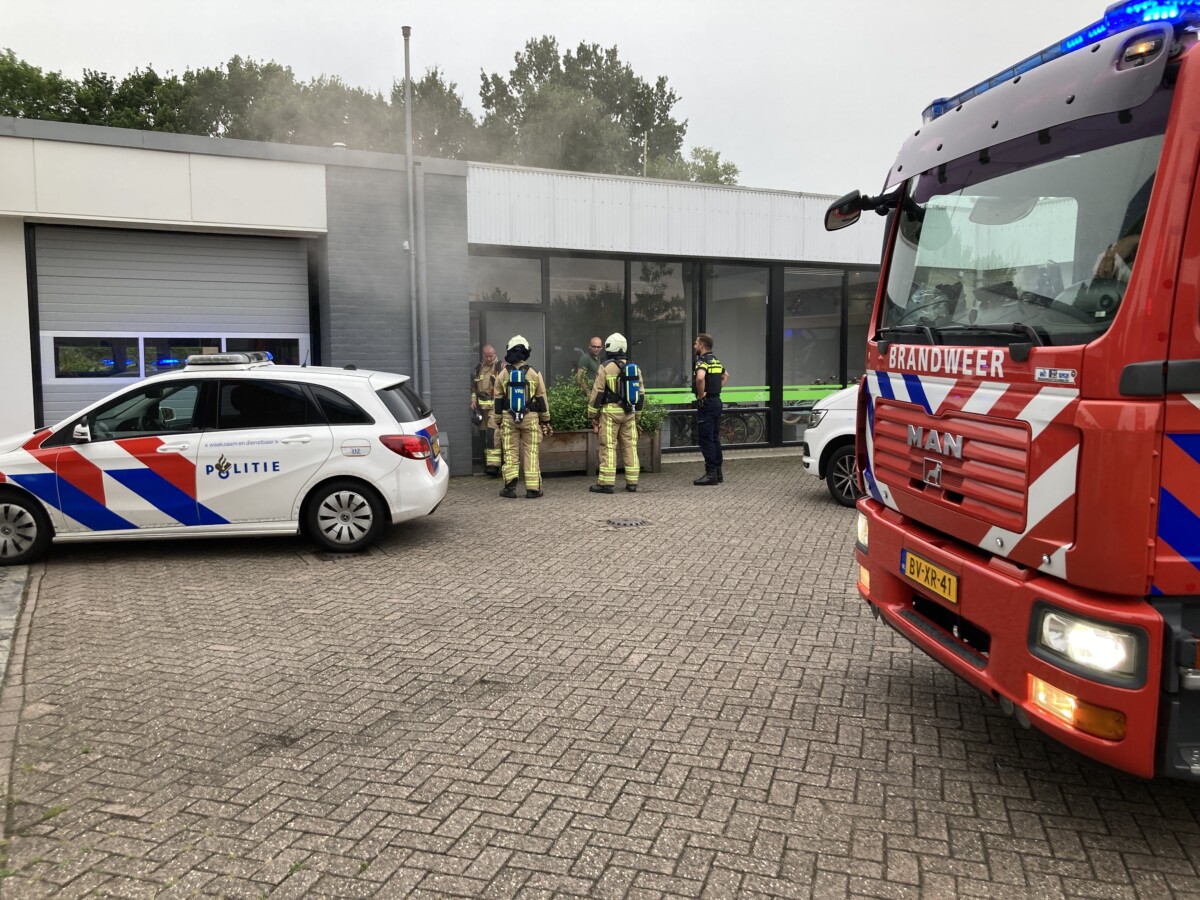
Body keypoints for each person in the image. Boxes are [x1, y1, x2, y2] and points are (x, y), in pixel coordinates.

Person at [494, 335, 552, 499]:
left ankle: (510, 488)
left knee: (510, 452)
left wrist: (498, 420)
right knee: (531, 451)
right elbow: (542, 398)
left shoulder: (503, 374)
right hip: (531, 418)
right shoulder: (534, 373)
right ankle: (533, 489)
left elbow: (497, 399)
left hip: (508, 419)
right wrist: (546, 419)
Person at [587, 332, 640, 494]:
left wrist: (592, 415)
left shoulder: (605, 368)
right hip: (629, 413)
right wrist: (637, 416)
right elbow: (641, 394)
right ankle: (632, 483)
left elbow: (597, 393)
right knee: (630, 446)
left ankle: (606, 484)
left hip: (610, 413)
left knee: (608, 446)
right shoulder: (634, 368)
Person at [692, 333, 728, 486]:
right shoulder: (716, 360)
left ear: (701, 345)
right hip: (716, 401)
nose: (694, 346)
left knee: (706, 439)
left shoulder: (702, 361)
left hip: (707, 404)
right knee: (714, 438)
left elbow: (700, 378)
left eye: (695, 343)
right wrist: (715, 389)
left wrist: (701, 395)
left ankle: (711, 474)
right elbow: (726, 376)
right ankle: (718, 473)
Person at [470, 344, 503, 476]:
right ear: (483, 355)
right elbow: (474, 388)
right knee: (483, 435)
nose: (489, 358)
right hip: (481, 408)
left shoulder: (501, 367)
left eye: (491, 356)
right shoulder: (479, 368)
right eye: (486, 356)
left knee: (492, 434)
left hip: (494, 407)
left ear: (495, 354)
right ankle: (486, 462)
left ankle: (494, 466)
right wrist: (473, 400)